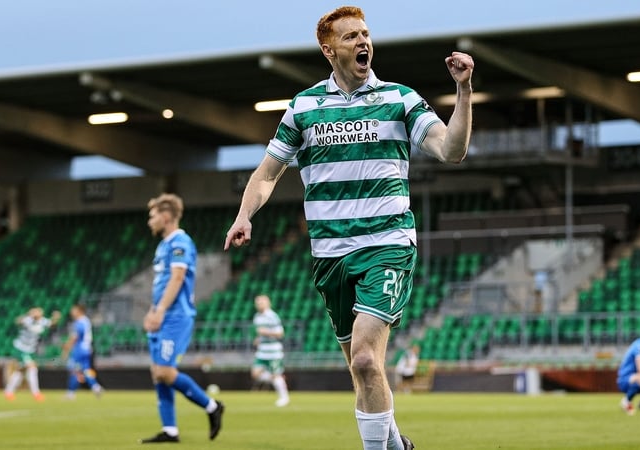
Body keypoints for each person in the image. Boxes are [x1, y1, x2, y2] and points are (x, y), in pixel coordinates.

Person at [224, 6, 473, 449]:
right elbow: (267, 174)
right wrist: (245, 214)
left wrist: (464, 90)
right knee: (363, 371)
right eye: (351, 36)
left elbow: (451, 150)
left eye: (366, 34)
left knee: (364, 360)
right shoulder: (304, 107)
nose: (363, 42)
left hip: (387, 244)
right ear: (329, 50)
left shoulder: (400, 98)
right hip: (330, 255)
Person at [140, 193, 224, 444]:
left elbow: (177, 278)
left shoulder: (181, 242)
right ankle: (170, 430)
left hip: (175, 317)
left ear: (166, 217)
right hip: (163, 314)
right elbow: (162, 283)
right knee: (158, 372)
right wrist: (153, 310)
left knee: (164, 371)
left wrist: (160, 311)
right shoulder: (163, 245)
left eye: (153, 216)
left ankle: (212, 406)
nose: (150, 221)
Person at [3, 307, 61, 401]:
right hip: (21, 348)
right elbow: (17, 321)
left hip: (30, 350)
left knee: (20, 371)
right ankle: (36, 393)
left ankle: (8, 392)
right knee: (32, 368)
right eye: (36, 312)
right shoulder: (28, 319)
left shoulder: (42, 321)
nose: (38, 314)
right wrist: (28, 315)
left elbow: (52, 324)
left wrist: (56, 317)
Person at [250, 294, 290, 407]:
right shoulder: (257, 317)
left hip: (273, 351)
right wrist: (258, 339)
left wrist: (266, 332)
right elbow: (260, 333)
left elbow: (280, 333)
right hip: (262, 350)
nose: (259, 305)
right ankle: (276, 378)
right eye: (257, 303)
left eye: (261, 302)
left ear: (268, 303)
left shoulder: (272, 316)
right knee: (255, 373)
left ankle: (284, 398)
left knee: (276, 375)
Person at [61, 304, 103, 399]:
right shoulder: (86, 321)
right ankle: (96, 387)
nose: (72, 312)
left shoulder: (79, 322)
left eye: (74, 310)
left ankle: (70, 393)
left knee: (74, 369)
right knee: (86, 370)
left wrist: (67, 347)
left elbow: (75, 337)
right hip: (86, 349)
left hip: (79, 349)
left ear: (79, 311)